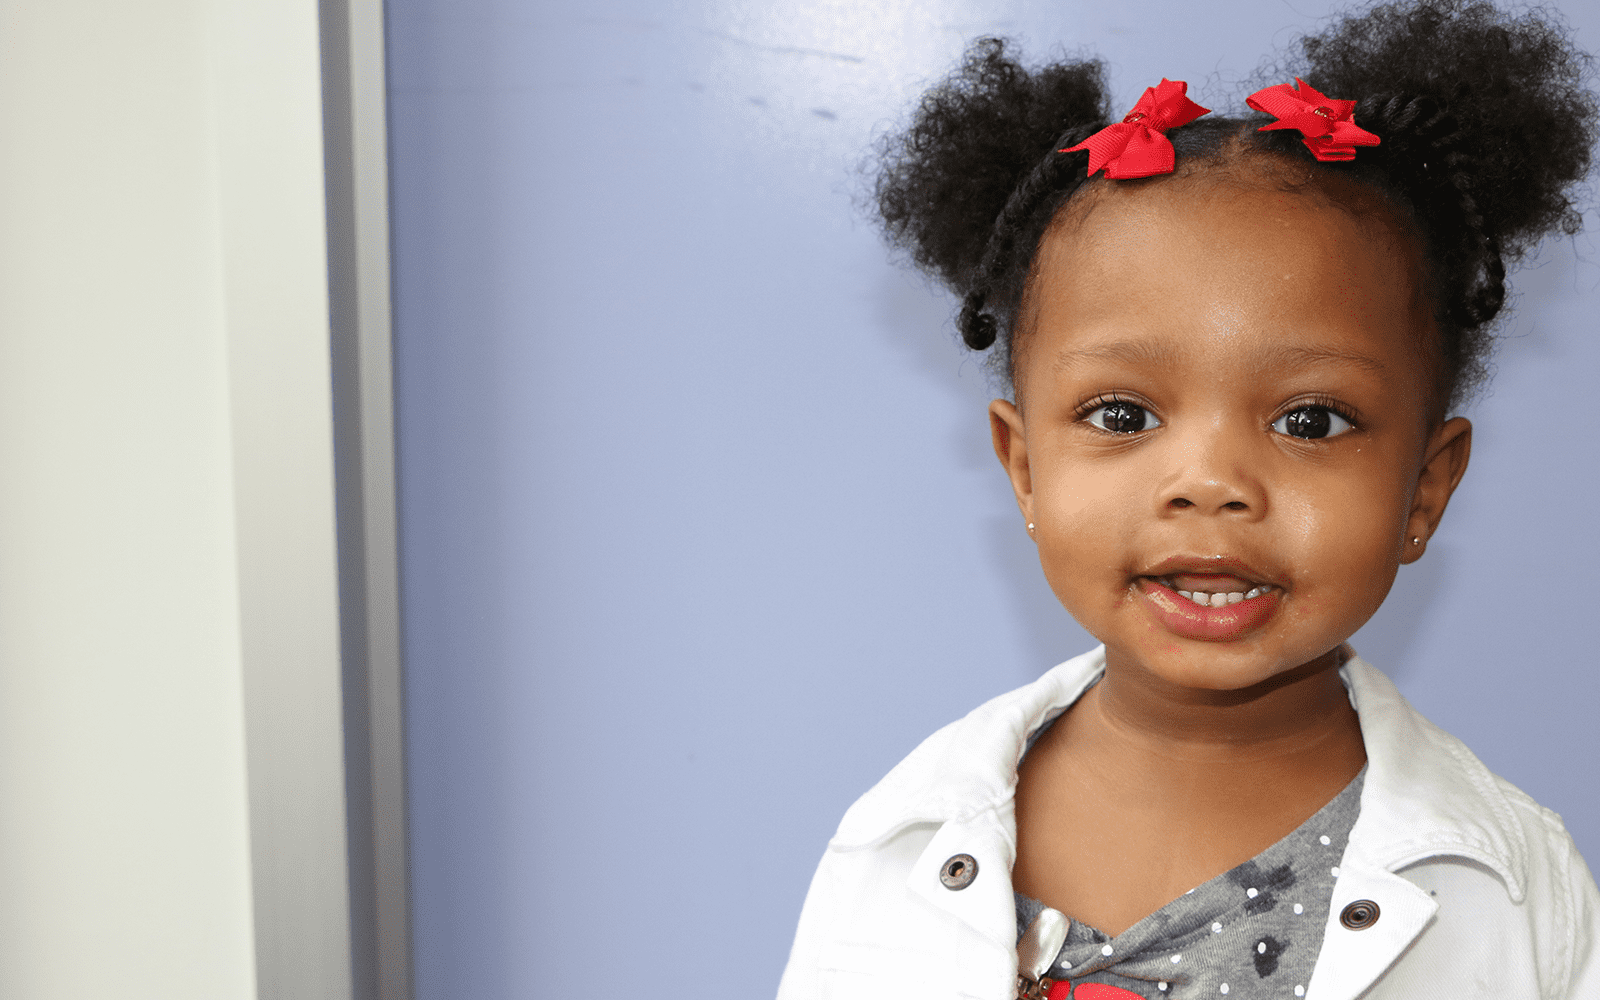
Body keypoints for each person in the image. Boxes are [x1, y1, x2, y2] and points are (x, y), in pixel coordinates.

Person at [776, 1, 1600, 997]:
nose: (1209, 481)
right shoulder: (897, 836)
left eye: (1309, 421)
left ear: (1424, 489)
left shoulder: (1513, 884)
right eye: (1121, 414)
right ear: (1023, 467)